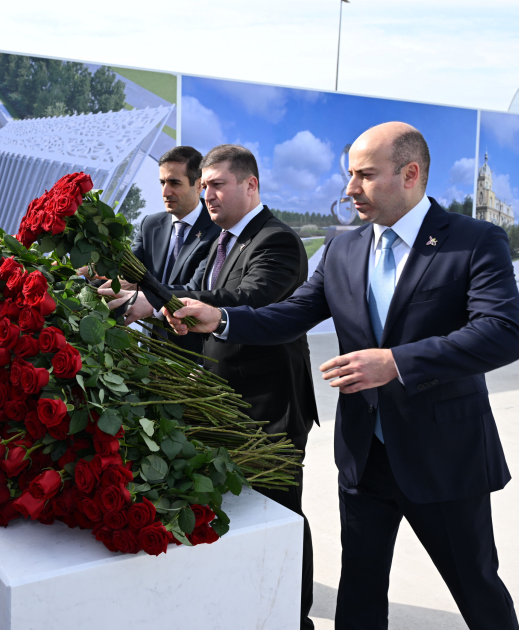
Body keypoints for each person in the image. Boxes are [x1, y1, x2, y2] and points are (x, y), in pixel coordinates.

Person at [166, 123, 519, 629]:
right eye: (349, 175)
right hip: (364, 456)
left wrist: (396, 362)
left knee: (478, 590)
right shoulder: (342, 247)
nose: (350, 188)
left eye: (365, 176)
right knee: (358, 593)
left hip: (444, 456)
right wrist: (220, 318)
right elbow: (291, 313)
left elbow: (502, 332)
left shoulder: (474, 241)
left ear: (411, 174)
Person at [109, 144, 318, 629]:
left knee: (282, 516)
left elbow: (246, 299)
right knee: (240, 517)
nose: (208, 196)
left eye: (217, 185)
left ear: (251, 185)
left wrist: (157, 301)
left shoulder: (277, 241)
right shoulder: (221, 241)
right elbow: (194, 294)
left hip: (267, 412)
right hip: (219, 402)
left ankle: (294, 615)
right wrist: (144, 303)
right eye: (203, 187)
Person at [121, 146, 220, 356]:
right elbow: (128, 272)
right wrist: (90, 269)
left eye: (175, 183)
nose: (165, 192)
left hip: (196, 357)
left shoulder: (219, 232)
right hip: (150, 351)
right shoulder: (150, 224)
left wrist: (150, 302)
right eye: (162, 183)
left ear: (199, 185)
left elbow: (197, 290)